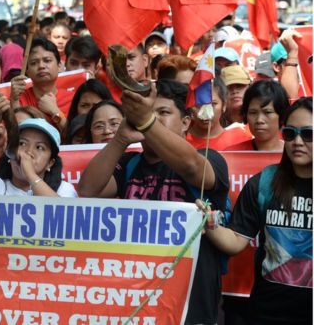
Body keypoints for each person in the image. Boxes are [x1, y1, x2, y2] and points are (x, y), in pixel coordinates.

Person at [78, 80, 229, 325]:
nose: (153, 118)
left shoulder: (209, 158)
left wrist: (147, 121)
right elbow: (88, 189)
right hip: (138, 300)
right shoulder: (129, 164)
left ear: (186, 122)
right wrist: (120, 139)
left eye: (163, 112)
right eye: (149, 113)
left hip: (191, 303)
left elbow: (192, 167)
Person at [203, 97, 312, 324]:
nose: (297, 142)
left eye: (308, 134)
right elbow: (235, 240)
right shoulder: (264, 182)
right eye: (290, 134)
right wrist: (209, 222)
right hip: (266, 313)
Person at [0, 96, 77, 197]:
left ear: (50, 163)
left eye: (39, 147)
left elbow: (61, 214)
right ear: (10, 152)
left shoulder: (63, 190)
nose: (28, 152)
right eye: (22, 143)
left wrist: (30, 175)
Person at [11, 38, 74, 130]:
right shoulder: (18, 98)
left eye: (47, 60)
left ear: (59, 65)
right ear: (27, 71)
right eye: (34, 63)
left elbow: (74, 138)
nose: (41, 66)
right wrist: (14, 101)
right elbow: (15, 134)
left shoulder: (72, 99)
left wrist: (55, 112)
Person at [186, 78, 253, 150]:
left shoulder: (241, 139)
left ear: (224, 105)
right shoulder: (180, 140)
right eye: (199, 105)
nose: (206, 112)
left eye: (212, 104)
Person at [227, 80, 290, 151]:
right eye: (253, 113)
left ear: (282, 115)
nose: (259, 120)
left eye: (267, 112)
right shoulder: (233, 154)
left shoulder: (294, 156)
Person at [271, 29, 304, 100]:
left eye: (301, 61)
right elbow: (289, 98)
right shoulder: (271, 95)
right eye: (292, 61)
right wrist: (292, 54)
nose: (297, 66)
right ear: (276, 67)